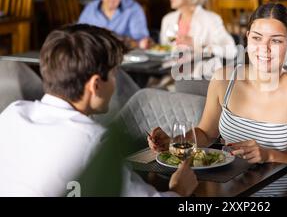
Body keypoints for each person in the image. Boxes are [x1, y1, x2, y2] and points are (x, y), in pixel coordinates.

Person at [0, 24, 197, 197]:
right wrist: (179, 189)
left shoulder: (11, 114)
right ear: (95, 84)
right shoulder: (94, 141)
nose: (115, 83)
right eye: (113, 75)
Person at [149, 3, 287, 197]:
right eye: (257, 38)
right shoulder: (224, 79)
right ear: (247, 39)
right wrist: (175, 144)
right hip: (223, 192)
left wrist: (268, 155)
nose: (264, 49)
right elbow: (205, 133)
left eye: (276, 41)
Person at [160, 0, 237, 79]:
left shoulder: (211, 19)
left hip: (199, 79)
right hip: (169, 76)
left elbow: (231, 51)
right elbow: (164, 51)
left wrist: (197, 44)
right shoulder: (168, 19)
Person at [78, 0, 152, 49]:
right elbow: (79, 36)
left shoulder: (133, 9)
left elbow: (142, 42)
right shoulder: (90, 9)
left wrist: (113, 36)